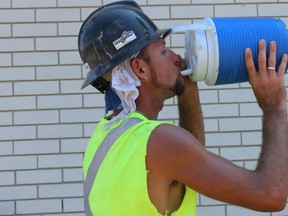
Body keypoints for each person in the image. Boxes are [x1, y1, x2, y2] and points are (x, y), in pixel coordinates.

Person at [78, 1, 288, 215]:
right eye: (164, 51)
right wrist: (274, 106)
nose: (176, 58)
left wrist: (188, 89)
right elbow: (271, 195)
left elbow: (189, 161)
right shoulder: (160, 141)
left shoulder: (107, 135)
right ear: (140, 69)